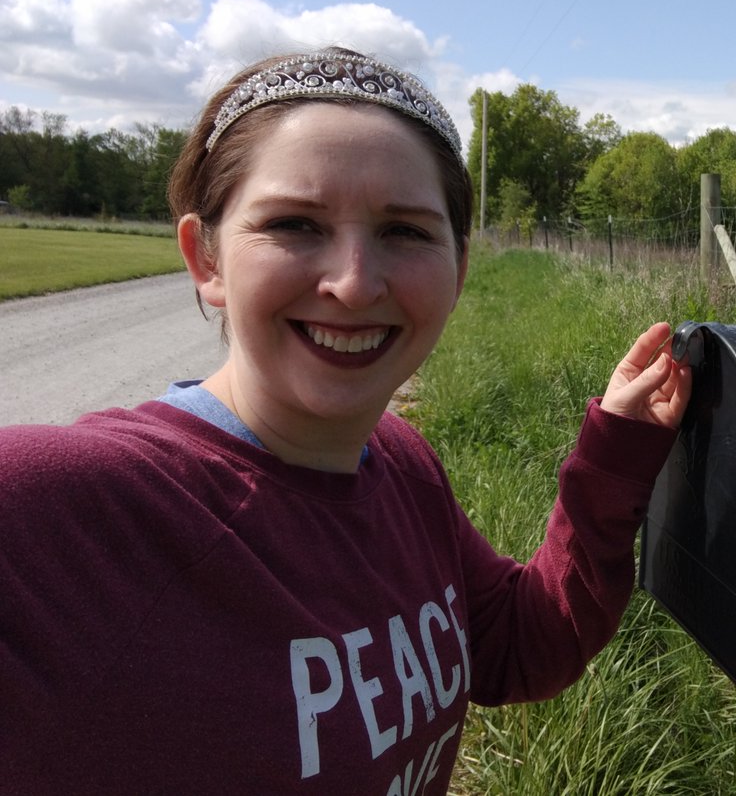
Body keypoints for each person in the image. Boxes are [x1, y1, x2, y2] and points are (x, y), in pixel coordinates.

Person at [0, 47, 691, 793]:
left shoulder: (400, 462)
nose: (355, 284)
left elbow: (521, 643)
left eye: (405, 232)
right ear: (207, 258)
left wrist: (614, 454)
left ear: (458, 269)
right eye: (295, 223)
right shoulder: (67, 509)